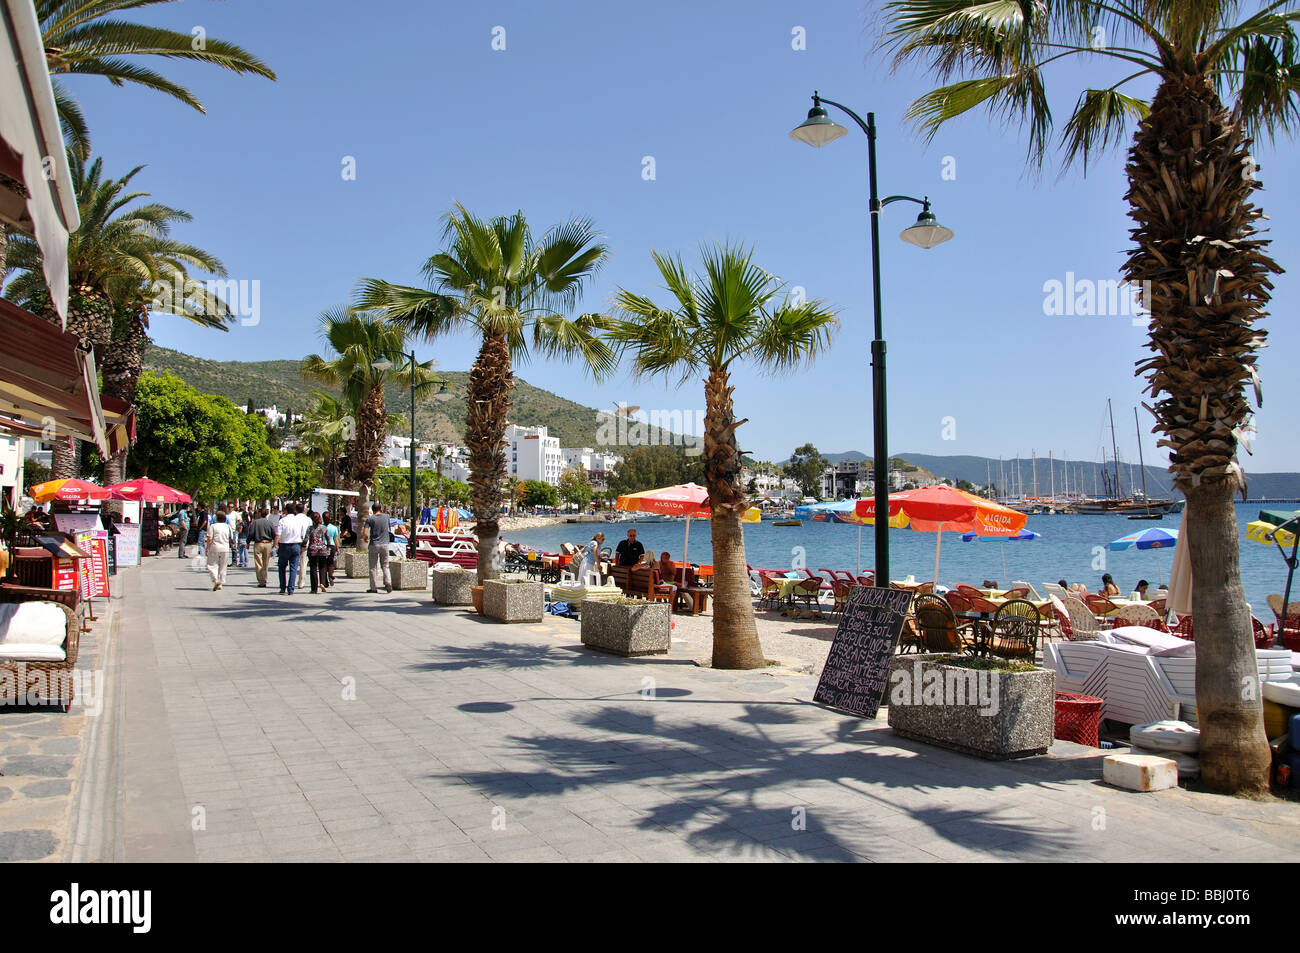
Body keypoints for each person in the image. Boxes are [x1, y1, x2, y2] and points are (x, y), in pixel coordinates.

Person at [275, 502, 311, 595]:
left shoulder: (282, 520)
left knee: (282, 567)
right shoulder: (298, 521)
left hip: (284, 545)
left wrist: (275, 545)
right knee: (293, 567)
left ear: (286, 510)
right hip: (296, 545)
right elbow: (304, 533)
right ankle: (291, 589)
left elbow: (278, 535)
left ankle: (283, 587)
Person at [363, 502, 393, 593]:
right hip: (385, 544)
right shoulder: (386, 517)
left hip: (374, 544)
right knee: (385, 565)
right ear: (381, 509)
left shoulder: (370, 519)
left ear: (372, 510)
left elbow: (365, 532)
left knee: (373, 567)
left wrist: (366, 538)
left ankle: (373, 588)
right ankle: (388, 582)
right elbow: (389, 529)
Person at [247, 508, 276, 587]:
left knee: (258, 563)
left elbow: (251, 533)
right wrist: (275, 544)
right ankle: (265, 578)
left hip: (258, 543)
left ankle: (261, 581)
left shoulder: (255, 523)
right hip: (268, 544)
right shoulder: (269, 523)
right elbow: (274, 534)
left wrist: (248, 542)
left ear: (260, 514)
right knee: (266, 563)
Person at [306, 511, 332, 594]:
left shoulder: (310, 528)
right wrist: (328, 546)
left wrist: (303, 544)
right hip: (322, 549)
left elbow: (306, 539)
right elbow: (328, 539)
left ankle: (314, 588)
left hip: (313, 549)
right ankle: (322, 582)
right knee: (322, 567)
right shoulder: (324, 528)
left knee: (313, 568)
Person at [206, 511, 233, 591]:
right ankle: (220, 583)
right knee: (223, 566)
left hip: (215, 547)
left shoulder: (213, 526)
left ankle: (215, 579)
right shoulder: (228, 526)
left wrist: (207, 548)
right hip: (225, 547)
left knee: (212, 564)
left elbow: (209, 538)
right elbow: (231, 538)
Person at [322, 512, 341, 587]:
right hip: (332, 547)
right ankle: (330, 574)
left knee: (323, 563)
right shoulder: (334, 528)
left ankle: (325, 581)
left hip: (323, 546)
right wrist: (337, 548)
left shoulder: (321, 527)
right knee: (331, 563)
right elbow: (335, 539)